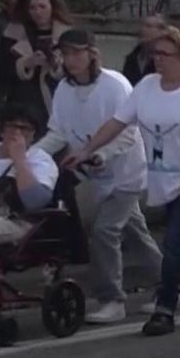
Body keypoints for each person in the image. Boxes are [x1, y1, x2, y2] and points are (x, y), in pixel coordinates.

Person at [70, 26, 180, 335]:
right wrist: (87, 149)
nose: (158, 60)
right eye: (154, 53)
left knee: (174, 243)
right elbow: (118, 122)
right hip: (161, 180)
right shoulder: (146, 86)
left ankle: (165, 307)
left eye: (165, 54)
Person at [39, 29, 160, 325]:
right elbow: (57, 132)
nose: (70, 59)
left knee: (104, 231)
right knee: (136, 232)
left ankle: (112, 299)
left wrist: (100, 155)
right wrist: (32, 155)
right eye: (65, 54)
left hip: (127, 173)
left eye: (76, 52)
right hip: (98, 177)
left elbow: (129, 132)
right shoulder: (65, 90)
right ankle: (168, 283)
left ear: (92, 53)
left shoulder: (115, 85)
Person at [0, 0, 72, 131]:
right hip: (22, 101)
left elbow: (78, 69)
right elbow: (1, 68)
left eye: (42, 7)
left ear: (52, 7)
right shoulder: (13, 34)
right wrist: (26, 63)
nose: (37, 12)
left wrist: (56, 63)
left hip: (57, 99)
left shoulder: (67, 35)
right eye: (32, 8)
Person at [0, 101, 58, 245]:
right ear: (2, 130)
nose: (17, 133)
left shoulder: (40, 160)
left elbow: (35, 202)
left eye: (24, 128)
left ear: (33, 134)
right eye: (12, 126)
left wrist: (19, 160)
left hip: (15, 220)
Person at [121, 14, 168, 85]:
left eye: (148, 26)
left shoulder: (170, 58)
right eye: (142, 26)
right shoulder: (132, 58)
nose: (143, 29)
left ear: (162, 31)